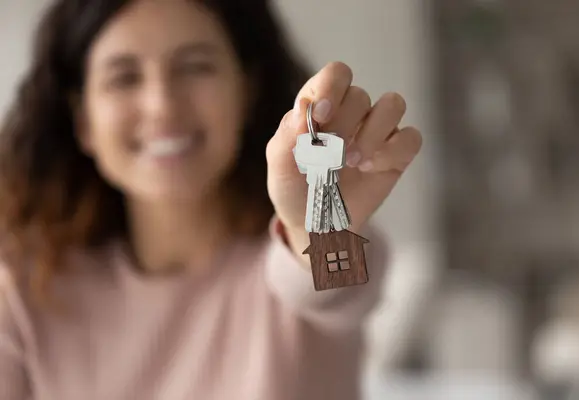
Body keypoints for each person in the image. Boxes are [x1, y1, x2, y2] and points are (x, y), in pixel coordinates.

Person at [0, 0, 422, 399]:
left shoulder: (297, 260)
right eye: (124, 77)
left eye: (196, 67)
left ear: (247, 91)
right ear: (82, 119)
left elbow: (332, 282)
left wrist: (324, 214)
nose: (162, 105)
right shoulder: (21, 289)